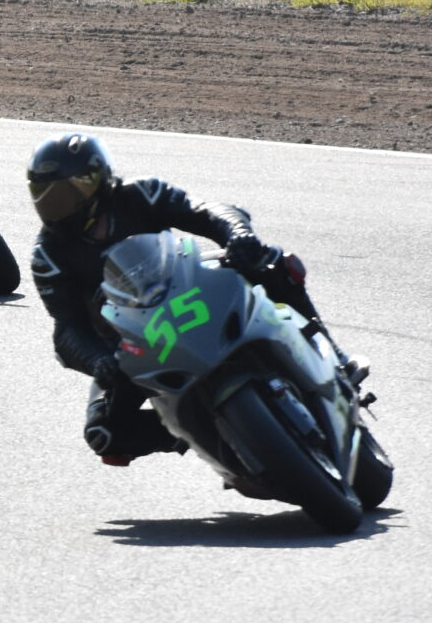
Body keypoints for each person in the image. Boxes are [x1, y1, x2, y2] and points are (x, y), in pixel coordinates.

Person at [25, 133, 358, 465]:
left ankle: (336, 358)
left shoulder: (141, 193)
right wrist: (97, 359)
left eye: (64, 195)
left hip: (189, 292)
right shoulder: (48, 256)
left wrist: (238, 233)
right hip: (131, 346)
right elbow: (67, 329)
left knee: (271, 261)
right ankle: (205, 435)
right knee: (104, 434)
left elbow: (205, 210)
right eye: (44, 197)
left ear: (95, 180)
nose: (54, 208)